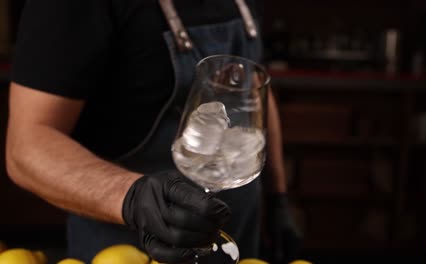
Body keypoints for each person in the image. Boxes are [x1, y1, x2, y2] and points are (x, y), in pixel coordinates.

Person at [5, 0, 302, 263]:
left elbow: (252, 90)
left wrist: (277, 196)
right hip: (128, 249)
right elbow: (27, 143)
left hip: (238, 235)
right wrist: (132, 196)